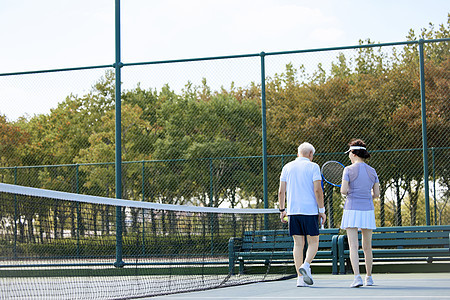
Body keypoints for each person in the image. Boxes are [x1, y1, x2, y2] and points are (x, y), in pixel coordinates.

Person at [278, 142, 326, 287]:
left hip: (293, 212)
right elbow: (318, 190)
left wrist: (282, 210)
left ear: (298, 153)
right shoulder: (314, 167)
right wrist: (322, 211)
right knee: (314, 243)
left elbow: (281, 191)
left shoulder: (287, 167)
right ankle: (305, 265)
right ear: (310, 154)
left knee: (298, 244)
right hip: (310, 211)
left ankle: (300, 279)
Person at [340, 139, 380, 288]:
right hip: (367, 209)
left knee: (353, 246)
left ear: (354, 153)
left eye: (349, 152)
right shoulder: (372, 171)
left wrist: (352, 190)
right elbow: (376, 194)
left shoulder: (347, 170)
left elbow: (343, 190)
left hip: (351, 209)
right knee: (367, 246)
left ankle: (357, 277)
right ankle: (368, 277)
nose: (349, 155)